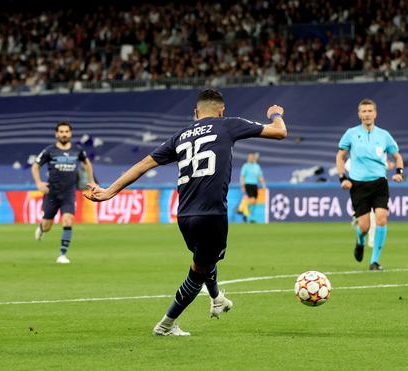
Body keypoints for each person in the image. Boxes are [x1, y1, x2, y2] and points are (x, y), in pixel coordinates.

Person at [84, 89, 287, 336]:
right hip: (212, 213)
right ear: (222, 111)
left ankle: (217, 299)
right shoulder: (228, 125)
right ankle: (166, 324)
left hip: (185, 215)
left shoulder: (180, 136)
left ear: (195, 112)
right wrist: (276, 114)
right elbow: (280, 132)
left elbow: (142, 165)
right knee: (198, 270)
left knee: (206, 258)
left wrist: (109, 191)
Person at [336, 99, 404, 271]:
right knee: (364, 226)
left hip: (379, 183)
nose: (367, 114)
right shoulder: (351, 133)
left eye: (369, 111)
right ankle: (360, 241)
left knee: (381, 218)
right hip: (358, 184)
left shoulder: (384, 135)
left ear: (375, 114)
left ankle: (374, 261)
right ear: (359, 114)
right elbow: (340, 157)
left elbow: (397, 156)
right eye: (363, 111)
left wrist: (398, 172)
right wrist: (343, 178)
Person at [31, 121, 95, 264]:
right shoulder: (49, 150)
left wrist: (91, 181)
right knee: (47, 225)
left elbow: (87, 163)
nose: (64, 134)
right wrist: (39, 183)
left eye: (66, 131)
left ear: (70, 133)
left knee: (67, 220)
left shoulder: (77, 150)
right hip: (52, 193)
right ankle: (41, 227)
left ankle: (62, 254)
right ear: (57, 134)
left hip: (68, 193)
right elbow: (35, 166)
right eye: (61, 131)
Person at [240, 152, 266, 223]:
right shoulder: (245, 166)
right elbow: (242, 176)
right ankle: (247, 214)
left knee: (254, 202)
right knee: (252, 200)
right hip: (248, 184)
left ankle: (248, 216)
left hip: (255, 185)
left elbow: (260, 176)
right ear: (248, 158)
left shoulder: (257, 166)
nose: (251, 158)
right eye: (250, 157)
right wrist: (242, 185)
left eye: (252, 157)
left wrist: (263, 184)